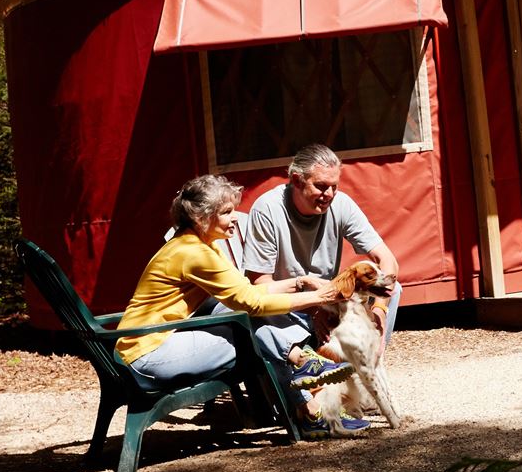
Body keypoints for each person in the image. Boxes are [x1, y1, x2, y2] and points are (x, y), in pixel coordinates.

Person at [115, 174, 368, 436]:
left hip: (153, 342)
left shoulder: (197, 244)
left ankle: (307, 390)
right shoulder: (193, 253)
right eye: (226, 212)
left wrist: (301, 282)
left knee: (243, 320)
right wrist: (323, 297)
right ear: (202, 217)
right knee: (250, 332)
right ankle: (307, 386)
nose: (235, 217)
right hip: (149, 354)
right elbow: (253, 303)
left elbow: (246, 293)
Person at [239, 144, 402, 359]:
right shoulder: (268, 208)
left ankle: (369, 361)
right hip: (288, 306)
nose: (330, 194)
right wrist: (315, 306)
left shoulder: (341, 204)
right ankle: (306, 369)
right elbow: (260, 284)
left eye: (334, 186)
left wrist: (380, 310)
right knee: (260, 315)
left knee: (393, 288)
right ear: (297, 180)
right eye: (321, 186)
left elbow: (387, 260)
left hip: (329, 297)